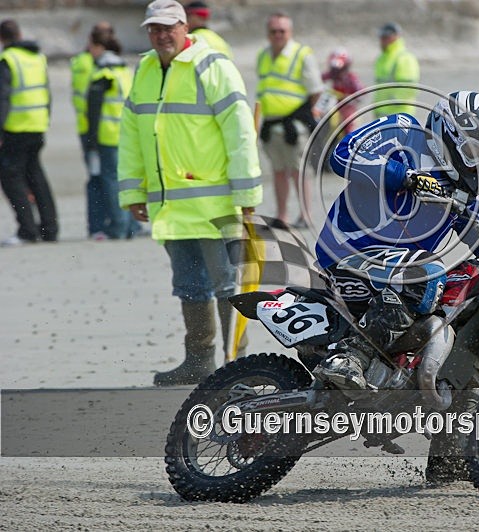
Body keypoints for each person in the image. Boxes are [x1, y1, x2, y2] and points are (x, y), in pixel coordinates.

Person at [314, 90, 479, 482]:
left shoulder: (469, 188)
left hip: (397, 272)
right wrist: (405, 177)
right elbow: (341, 156)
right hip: (349, 254)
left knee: (469, 317)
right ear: (451, 133)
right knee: (428, 275)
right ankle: (350, 358)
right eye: (475, 147)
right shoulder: (401, 132)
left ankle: (450, 455)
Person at [118, 0, 262, 386]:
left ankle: (238, 366)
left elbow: (240, 131)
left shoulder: (212, 66)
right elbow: (131, 135)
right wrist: (133, 190)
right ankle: (198, 360)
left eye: (168, 27)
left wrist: (247, 189)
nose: (161, 35)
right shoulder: (146, 68)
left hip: (216, 205)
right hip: (171, 207)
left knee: (229, 287)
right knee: (189, 286)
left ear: (184, 27)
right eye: (154, 28)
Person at [256, 11, 323, 228]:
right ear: (268, 33)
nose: (277, 35)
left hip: (294, 125)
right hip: (271, 124)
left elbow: (316, 90)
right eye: (273, 31)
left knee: (299, 170)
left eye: (282, 31)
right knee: (277, 171)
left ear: (290, 32)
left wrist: (302, 114)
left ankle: (305, 215)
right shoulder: (263, 55)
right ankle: (282, 215)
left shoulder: (302, 54)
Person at [0, 19, 58, 246]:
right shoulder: (37, 57)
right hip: (37, 123)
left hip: (16, 126)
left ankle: (27, 229)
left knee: (10, 176)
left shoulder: (8, 60)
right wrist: (45, 119)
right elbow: (47, 92)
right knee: (36, 175)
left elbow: (2, 97)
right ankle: (50, 229)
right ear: (20, 34)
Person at [84, 24, 141, 240]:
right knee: (128, 181)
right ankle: (131, 227)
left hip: (107, 135)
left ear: (99, 47)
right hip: (126, 133)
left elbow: (93, 112)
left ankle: (118, 226)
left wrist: (90, 140)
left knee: (111, 181)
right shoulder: (124, 70)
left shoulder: (103, 73)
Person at [373, 22, 419, 118]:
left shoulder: (405, 58)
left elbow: (409, 87)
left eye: (385, 38)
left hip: (399, 117)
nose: (382, 41)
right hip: (381, 115)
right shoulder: (381, 58)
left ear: (396, 37)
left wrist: (394, 101)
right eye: (381, 38)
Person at [321, 48, 364, 134]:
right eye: (334, 69)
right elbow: (316, 84)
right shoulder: (329, 76)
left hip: (346, 108)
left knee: (349, 123)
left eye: (340, 69)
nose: (337, 72)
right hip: (331, 107)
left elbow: (362, 94)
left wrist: (349, 97)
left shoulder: (351, 78)